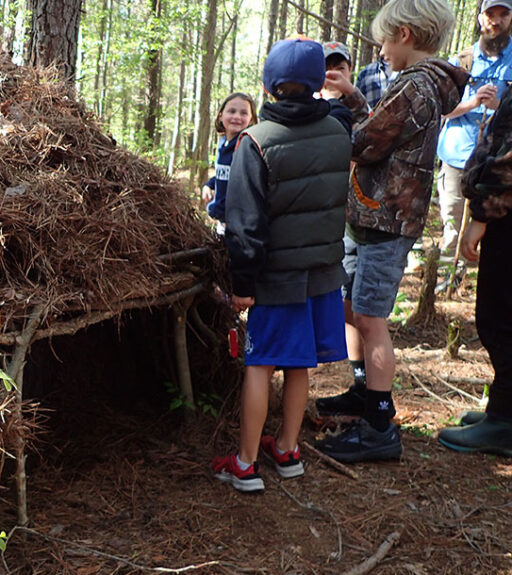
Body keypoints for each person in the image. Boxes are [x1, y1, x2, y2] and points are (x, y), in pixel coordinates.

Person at [314, 0, 469, 463]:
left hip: (386, 222)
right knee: (353, 310)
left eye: (383, 39)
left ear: (404, 34)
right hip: (369, 215)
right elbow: (385, 128)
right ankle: (364, 393)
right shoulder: (414, 85)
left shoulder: (417, 86)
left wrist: (321, 124)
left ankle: (379, 425)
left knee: (372, 321)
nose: (380, 49)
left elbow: (365, 142)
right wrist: (355, 97)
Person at [211, 37, 351, 492]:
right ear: (316, 82)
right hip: (323, 273)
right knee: (299, 364)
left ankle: (246, 462)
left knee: (259, 365)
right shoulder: (338, 132)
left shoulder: (256, 142)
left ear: (269, 85)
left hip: (278, 278)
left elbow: (244, 224)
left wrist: (242, 283)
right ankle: (288, 449)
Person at [436, 87, 512, 456]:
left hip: (504, 213)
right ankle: (501, 409)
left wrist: (482, 214)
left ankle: (504, 421)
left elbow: (508, 160)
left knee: (499, 318)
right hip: (501, 212)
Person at [436, 0, 512, 259]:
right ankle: (446, 276)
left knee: (492, 233)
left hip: (498, 167)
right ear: (480, 18)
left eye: (504, 14)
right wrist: (472, 103)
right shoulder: (460, 61)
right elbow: (441, 109)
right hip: (457, 156)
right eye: (491, 14)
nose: (496, 20)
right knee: (452, 227)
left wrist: (499, 106)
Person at [200, 93, 258, 230]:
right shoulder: (222, 144)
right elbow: (225, 174)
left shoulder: (247, 146)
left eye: (244, 113)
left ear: (251, 120)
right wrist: (209, 185)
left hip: (239, 225)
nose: (237, 117)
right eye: (231, 111)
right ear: (221, 115)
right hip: (222, 222)